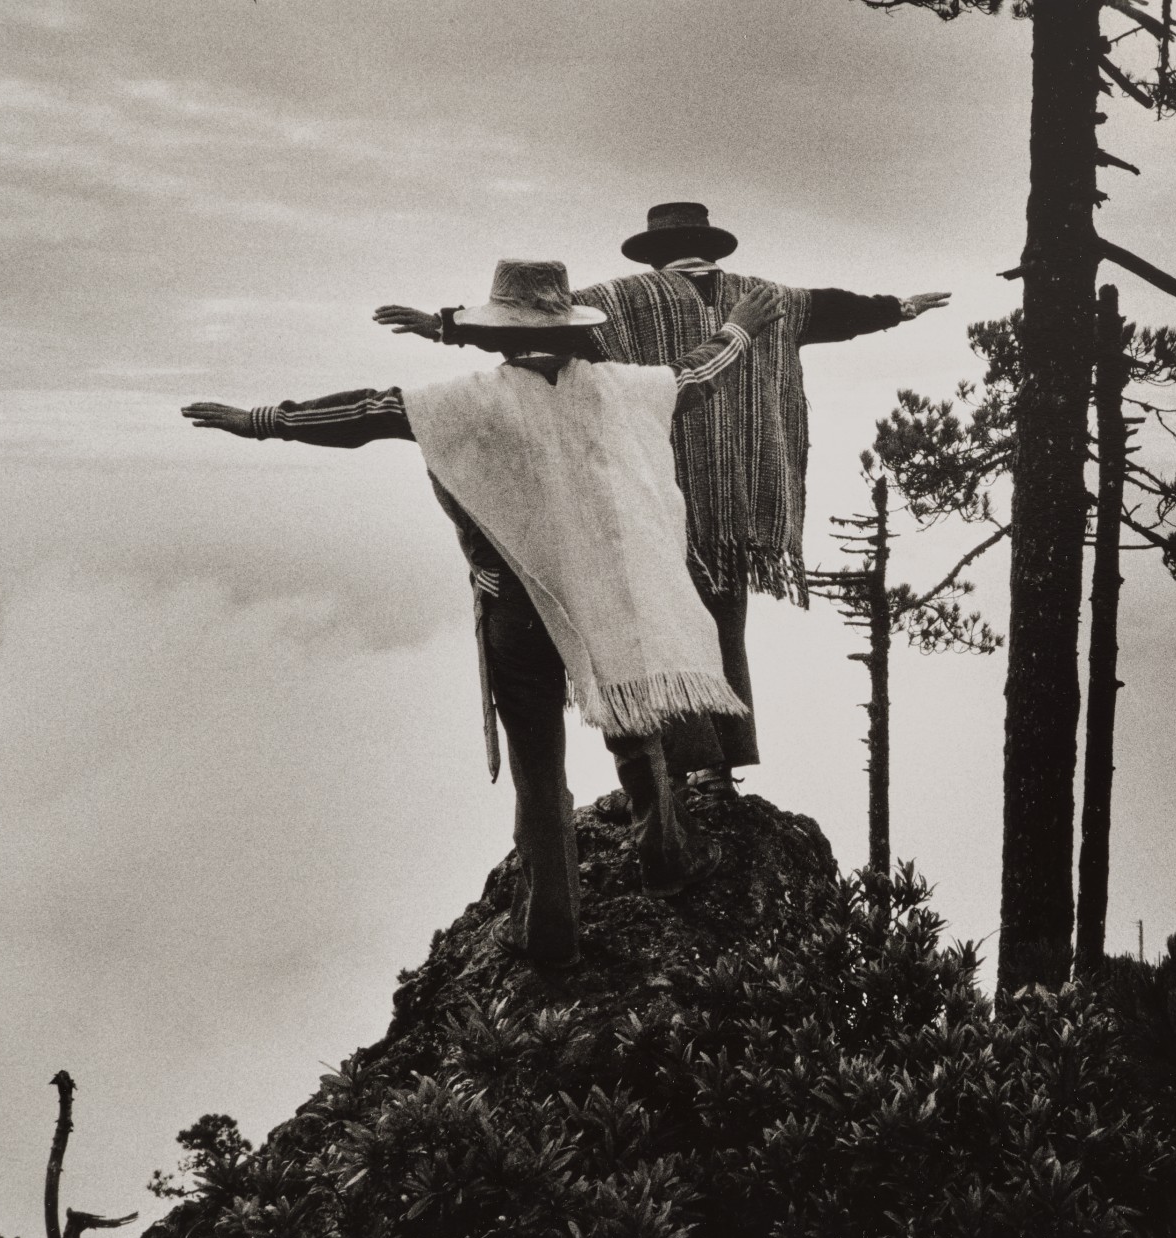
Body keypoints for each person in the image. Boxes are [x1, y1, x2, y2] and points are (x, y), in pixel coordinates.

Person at [181, 258, 785, 969]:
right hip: (604, 596)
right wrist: (739, 328)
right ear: (571, 331)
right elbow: (695, 376)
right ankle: (667, 858)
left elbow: (368, 413)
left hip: (516, 611)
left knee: (539, 771)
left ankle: (551, 931)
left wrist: (260, 422)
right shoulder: (619, 390)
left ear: (496, 336)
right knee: (635, 722)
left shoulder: (465, 403)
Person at [374, 202, 950, 798]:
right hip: (742, 499)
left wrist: (443, 325)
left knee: (667, 628)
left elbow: (534, 323)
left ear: (652, 252)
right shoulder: (768, 297)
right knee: (725, 624)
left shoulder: (622, 301)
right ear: (712, 247)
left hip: (654, 490)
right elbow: (838, 309)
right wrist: (901, 308)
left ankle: (682, 769)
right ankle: (723, 764)